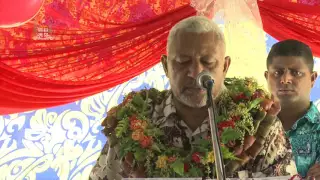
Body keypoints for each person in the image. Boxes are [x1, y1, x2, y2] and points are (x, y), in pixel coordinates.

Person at [89, 16, 294, 180]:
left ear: (225, 66)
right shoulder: (134, 125)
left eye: (208, 62)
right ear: (165, 66)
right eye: (182, 61)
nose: (195, 73)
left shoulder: (258, 124)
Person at [264, 39, 320, 179]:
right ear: (266, 77)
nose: (285, 79)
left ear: (312, 79)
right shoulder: (248, 127)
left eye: (296, 73)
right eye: (277, 72)